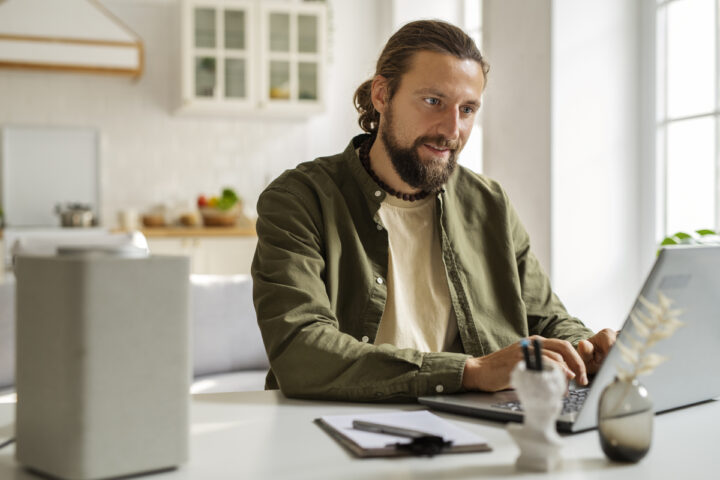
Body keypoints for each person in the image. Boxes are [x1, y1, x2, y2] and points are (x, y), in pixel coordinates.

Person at [251, 19, 616, 401]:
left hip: (477, 425)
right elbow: (301, 350)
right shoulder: (299, 199)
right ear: (381, 94)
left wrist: (589, 348)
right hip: (336, 424)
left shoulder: (489, 203)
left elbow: (545, 317)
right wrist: (469, 372)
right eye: (433, 102)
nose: (451, 129)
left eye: (468, 109)